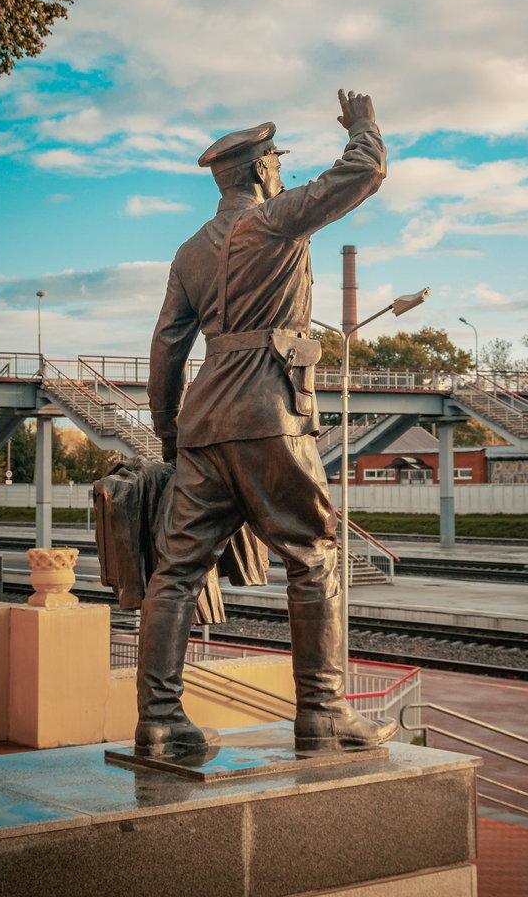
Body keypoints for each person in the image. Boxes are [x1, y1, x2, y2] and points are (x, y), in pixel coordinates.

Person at [137, 89, 396, 757]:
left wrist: (172, 437)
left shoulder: (190, 252)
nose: (280, 168)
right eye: (276, 159)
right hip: (270, 414)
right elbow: (362, 173)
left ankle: (159, 721)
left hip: (202, 428)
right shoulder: (275, 220)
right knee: (313, 556)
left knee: (176, 573)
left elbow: (167, 350)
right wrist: (363, 125)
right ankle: (324, 714)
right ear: (259, 171)